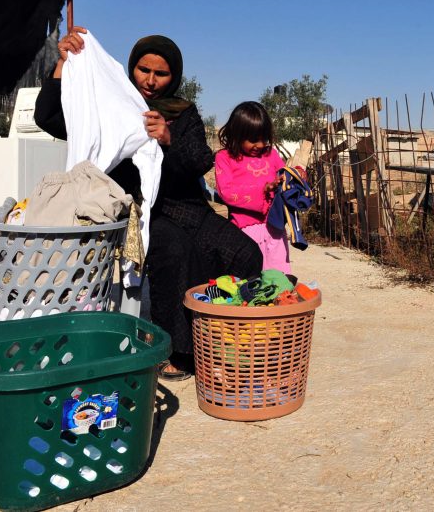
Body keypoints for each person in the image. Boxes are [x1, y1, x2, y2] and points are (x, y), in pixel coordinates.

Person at [34, 26, 263, 381]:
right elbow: (49, 118)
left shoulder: (183, 112)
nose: (152, 81)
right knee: (173, 252)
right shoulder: (108, 106)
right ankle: (177, 350)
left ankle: (221, 333)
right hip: (143, 214)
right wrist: (63, 65)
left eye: (161, 73)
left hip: (190, 208)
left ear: (174, 76)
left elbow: (201, 159)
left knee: (247, 254)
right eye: (144, 70)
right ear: (131, 68)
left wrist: (169, 139)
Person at [214, 102, 291, 273]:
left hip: (275, 227)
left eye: (264, 139)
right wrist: (264, 189)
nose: (261, 145)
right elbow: (227, 192)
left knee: (279, 276)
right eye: (254, 140)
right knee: (249, 280)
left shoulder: (271, 154)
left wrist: (295, 175)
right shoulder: (224, 158)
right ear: (237, 135)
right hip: (245, 231)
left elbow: (284, 174)